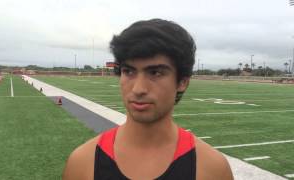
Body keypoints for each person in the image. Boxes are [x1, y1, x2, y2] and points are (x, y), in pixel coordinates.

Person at [63, 19, 233, 180]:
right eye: (128, 71)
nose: (138, 89)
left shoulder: (212, 168)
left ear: (182, 82)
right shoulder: (83, 162)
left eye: (155, 73)